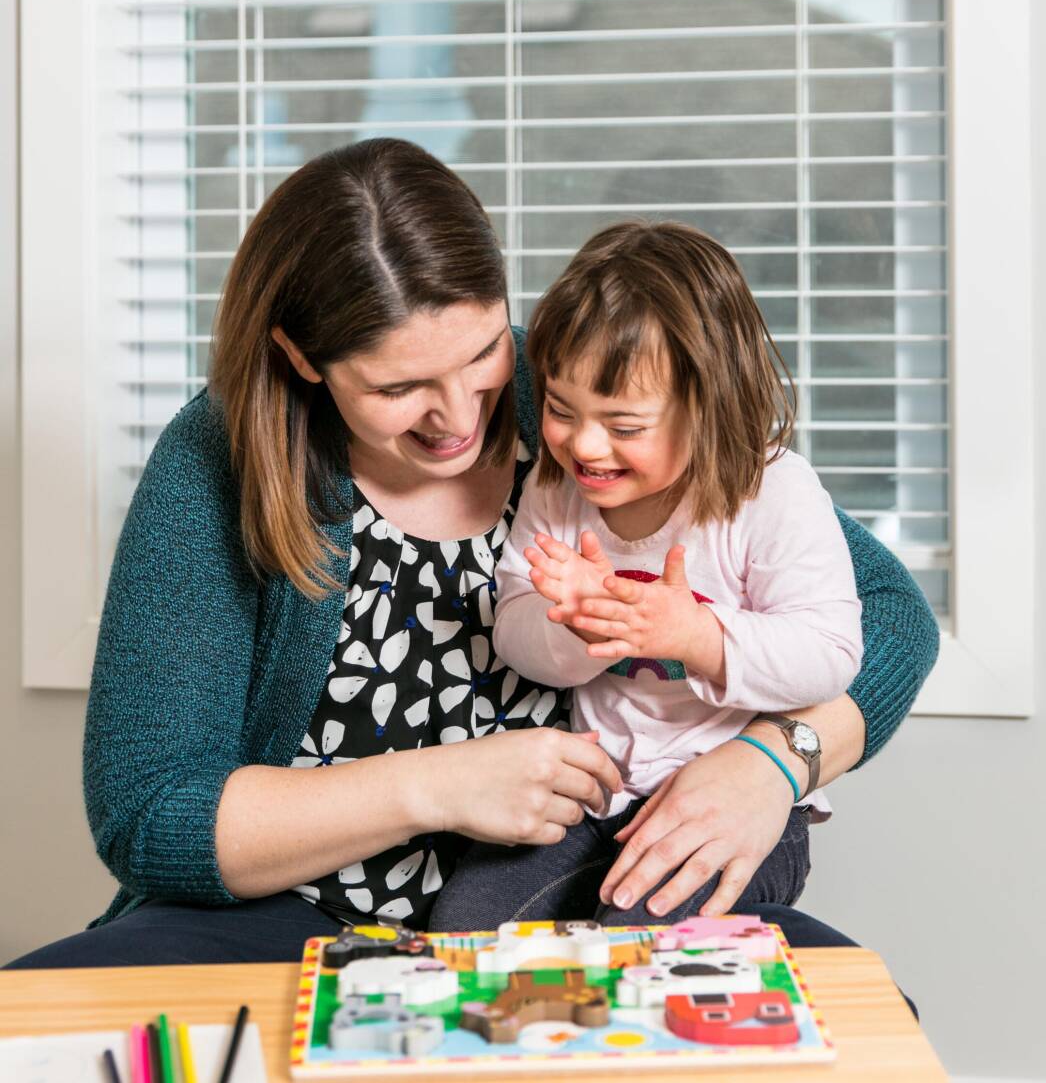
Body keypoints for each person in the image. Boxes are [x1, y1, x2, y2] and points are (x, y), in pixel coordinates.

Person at [4, 139, 938, 970]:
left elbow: (887, 617)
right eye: (401, 386)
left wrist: (777, 761)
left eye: (486, 352)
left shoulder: (575, 402)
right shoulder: (221, 455)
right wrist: (440, 785)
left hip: (575, 903)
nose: (460, 416)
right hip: (288, 918)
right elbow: (149, 809)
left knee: (856, 1004)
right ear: (300, 355)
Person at [429, 221, 865, 930]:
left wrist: (696, 635)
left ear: (711, 405)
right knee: (464, 929)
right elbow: (512, 629)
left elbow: (830, 653)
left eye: (624, 426)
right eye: (563, 410)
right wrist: (569, 627)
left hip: (737, 807)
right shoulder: (556, 486)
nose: (584, 445)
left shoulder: (772, 493)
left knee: (636, 935)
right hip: (598, 795)